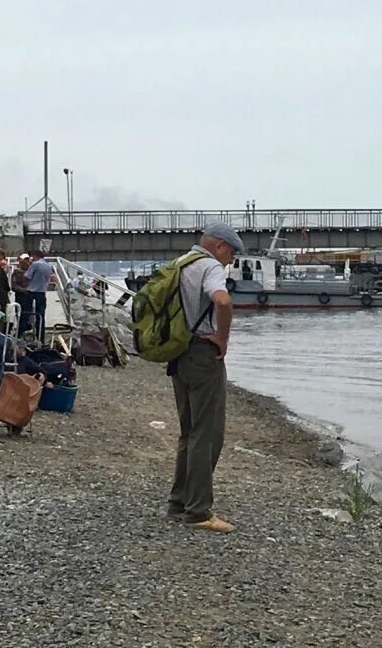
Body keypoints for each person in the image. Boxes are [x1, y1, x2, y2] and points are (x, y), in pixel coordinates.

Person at [166, 222, 242, 534]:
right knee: (207, 433)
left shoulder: (179, 264)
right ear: (220, 246)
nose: (230, 262)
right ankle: (198, 512)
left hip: (178, 352)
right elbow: (222, 301)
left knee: (188, 432)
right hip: (201, 353)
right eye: (232, 255)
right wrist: (222, 338)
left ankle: (179, 503)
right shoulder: (210, 266)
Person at [25, 250, 52, 344]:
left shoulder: (35, 264)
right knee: (41, 316)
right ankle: (41, 338)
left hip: (32, 292)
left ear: (35, 256)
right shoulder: (49, 266)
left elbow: (27, 276)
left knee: (28, 314)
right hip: (42, 292)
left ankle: (28, 336)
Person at [11, 254, 32, 336]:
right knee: (19, 314)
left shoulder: (32, 272)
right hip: (20, 296)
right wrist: (22, 290)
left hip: (30, 296)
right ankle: (20, 332)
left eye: (27, 260)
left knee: (29, 315)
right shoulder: (16, 272)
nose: (25, 262)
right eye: (23, 260)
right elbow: (13, 285)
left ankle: (28, 329)